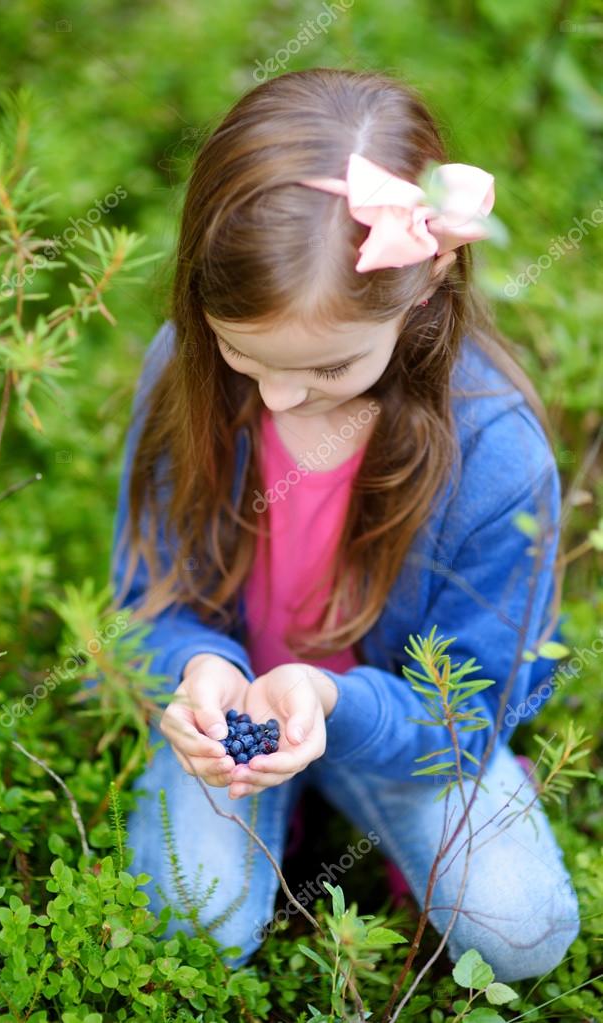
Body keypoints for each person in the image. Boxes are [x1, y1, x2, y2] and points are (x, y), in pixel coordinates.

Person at [107, 68, 580, 981]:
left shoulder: (496, 451)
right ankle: (285, 812)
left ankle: (366, 804)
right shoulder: (185, 370)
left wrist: (333, 703)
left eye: (328, 369)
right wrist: (196, 667)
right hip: (236, 713)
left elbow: (473, 700)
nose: (278, 394)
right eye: (242, 353)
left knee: (522, 931)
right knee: (189, 933)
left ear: (428, 280)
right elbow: (147, 592)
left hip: (397, 723)